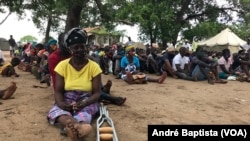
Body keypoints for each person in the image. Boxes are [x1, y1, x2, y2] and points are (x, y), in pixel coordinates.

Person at [47, 27, 105, 141]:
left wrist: (85, 102)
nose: (80, 50)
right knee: (58, 111)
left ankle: (75, 127)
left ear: (86, 47)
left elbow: (97, 93)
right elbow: (58, 91)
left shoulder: (94, 67)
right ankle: (79, 127)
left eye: (82, 46)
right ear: (70, 50)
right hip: (67, 97)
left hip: (87, 98)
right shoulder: (62, 66)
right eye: (76, 47)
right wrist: (62, 103)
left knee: (86, 111)